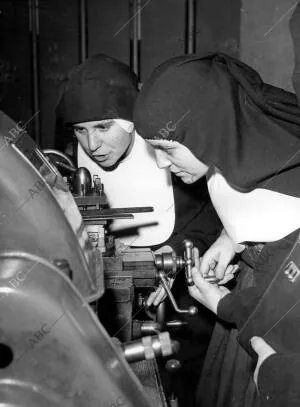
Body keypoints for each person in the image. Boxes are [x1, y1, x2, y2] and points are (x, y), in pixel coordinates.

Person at [133, 51, 300, 407]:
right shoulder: (233, 151)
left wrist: (222, 304)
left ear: (207, 130)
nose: (162, 163)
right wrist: (230, 240)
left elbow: (286, 325)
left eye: (167, 149)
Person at [56, 53, 222, 407]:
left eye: (103, 127)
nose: (92, 145)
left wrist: (176, 249)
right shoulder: (75, 160)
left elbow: (214, 225)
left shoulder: (175, 157)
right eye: (80, 130)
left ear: (130, 121)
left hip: (182, 308)